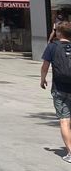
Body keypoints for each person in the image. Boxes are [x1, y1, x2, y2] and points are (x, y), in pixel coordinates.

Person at [40, 21, 71, 164]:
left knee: (64, 120)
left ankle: (70, 153)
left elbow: (45, 66)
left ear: (58, 33)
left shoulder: (52, 47)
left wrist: (43, 79)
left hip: (60, 88)